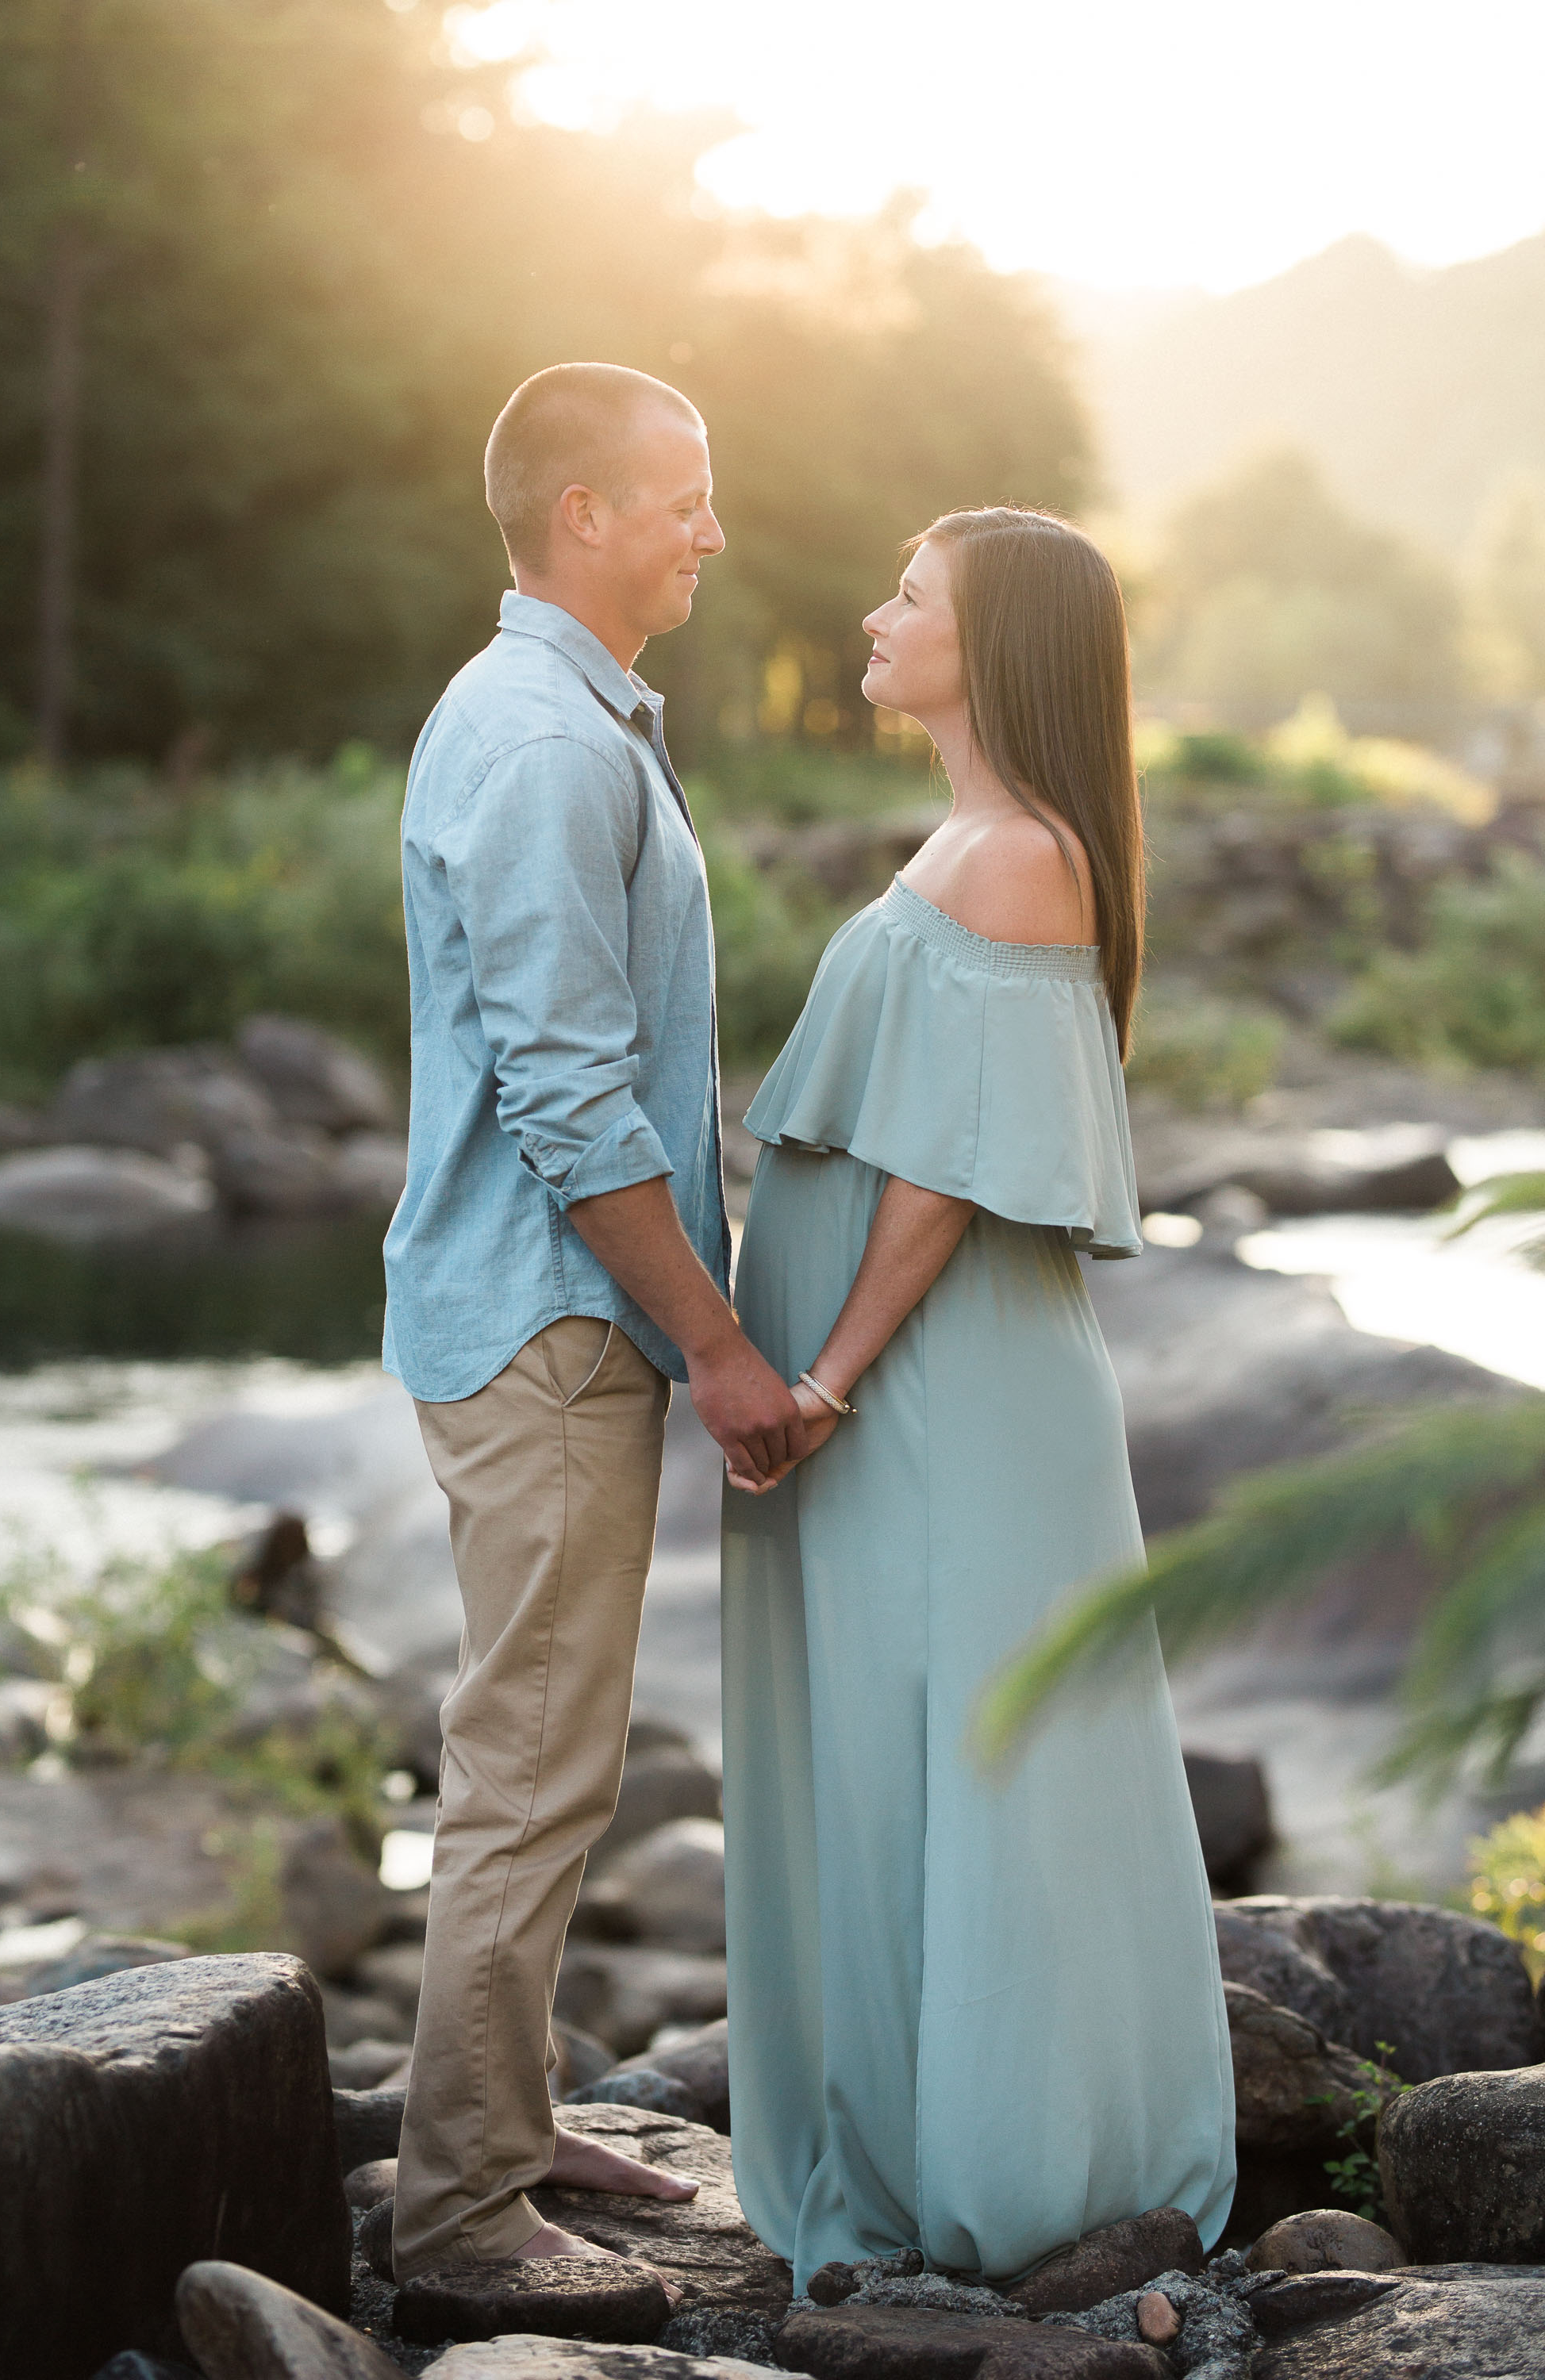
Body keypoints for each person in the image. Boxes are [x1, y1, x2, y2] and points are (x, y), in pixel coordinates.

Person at [721, 508, 1236, 2288]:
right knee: (892, 1746)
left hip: (938, 1395)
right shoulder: (967, 835)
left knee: (968, 1748)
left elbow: (941, 1177)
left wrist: (830, 1379)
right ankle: (914, 2128)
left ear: (990, 638)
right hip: (899, 1391)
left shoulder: (1022, 854)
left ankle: (1012, 2166)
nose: (872, 615)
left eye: (909, 597)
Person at [382, 362, 805, 2282]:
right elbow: (569, 1097)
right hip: (555, 1323)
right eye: (682, 496)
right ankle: (465, 2216)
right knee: (535, 1764)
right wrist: (718, 1345)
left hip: (551, 1320)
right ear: (584, 516)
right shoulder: (547, 743)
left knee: (546, 1747)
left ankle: (511, 2120)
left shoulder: (560, 717)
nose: (711, 530)